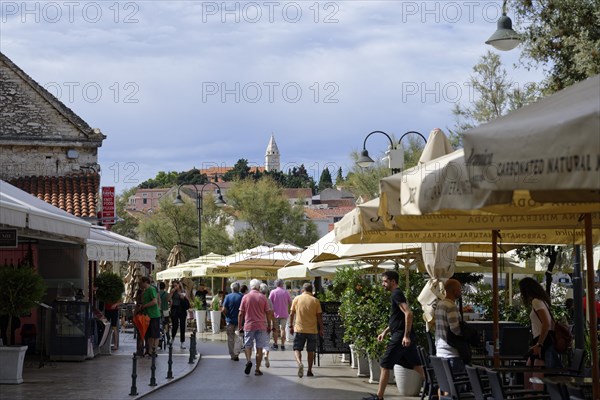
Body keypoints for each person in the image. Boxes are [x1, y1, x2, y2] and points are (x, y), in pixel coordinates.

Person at [363, 270, 424, 400]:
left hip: (401, 336)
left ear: (393, 281)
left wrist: (405, 336)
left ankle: (379, 397)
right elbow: (398, 319)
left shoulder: (396, 293)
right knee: (416, 365)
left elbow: (408, 313)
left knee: (385, 364)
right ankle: (437, 384)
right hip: (402, 335)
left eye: (385, 281)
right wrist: (384, 332)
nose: (383, 284)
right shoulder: (396, 294)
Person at [519, 277, 562, 389]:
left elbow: (546, 323)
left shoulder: (536, 301)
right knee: (529, 374)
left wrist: (539, 344)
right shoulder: (542, 301)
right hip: (541, 341)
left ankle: (534, 396)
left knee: (535, 379)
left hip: (542, 341)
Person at [434, 279, 465, 396]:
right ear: (454, 290)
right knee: (453, 389)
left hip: (440, 350)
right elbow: (455, 329)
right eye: (459, 289)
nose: (461, 291)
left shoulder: (440, 304)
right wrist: (467, 334)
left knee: (442, 385)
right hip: (452, 352)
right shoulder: (451, 306)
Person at [289, 282, 323, 378]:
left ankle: (299, 363)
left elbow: (291, 314)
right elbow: (319, 316)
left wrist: (291, 326)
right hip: (312, 330)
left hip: (299, 329)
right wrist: (321, 328)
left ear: (303, 290)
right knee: (310, 351)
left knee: (297, 349)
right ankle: (309, 370)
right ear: (311, 290)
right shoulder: (315, 300)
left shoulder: (296, 299)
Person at [238, 279, 271, 376]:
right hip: (261, 325)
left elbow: (241, 313)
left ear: (250, 286)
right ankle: (257, 369)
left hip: (249, 325)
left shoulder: (245, 297)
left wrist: (240, 325)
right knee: (259, 347)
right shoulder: (263, 297)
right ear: (258, 287)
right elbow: (268, 313)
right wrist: (269, 325)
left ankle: (248, 360)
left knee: (248, 345)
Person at [139, 276, 161, 355]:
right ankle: (150, 350)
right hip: (147, 315)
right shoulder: (145, 291)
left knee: (155, 334)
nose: (140, 284)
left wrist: (144, 306)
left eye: (141, 282)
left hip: (154, 315)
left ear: (145, 282)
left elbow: (154, 301)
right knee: (149, 334)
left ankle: (154, 350)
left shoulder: (151, 289)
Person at [222, 282, 244, 361]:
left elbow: (223, 309)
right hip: (240, 321)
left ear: (232, 288)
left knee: (230, 338)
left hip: (230, 321)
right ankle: (237, 353)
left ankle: (232, 355)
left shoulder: (227, 297)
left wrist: (227, 316)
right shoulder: (242, 297)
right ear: (238, 288)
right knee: (239, 337)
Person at [269, 278, 292, 351]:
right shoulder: (286, 292)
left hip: (275, 314)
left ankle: (275, 344)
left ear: (276, 284)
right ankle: (282, 345)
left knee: (275, 329)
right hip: (284, 313)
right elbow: (290, 302)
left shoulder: (273, 292)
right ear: (282, 284)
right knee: (283, 329)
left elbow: (269, 302)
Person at [168, 280, 188, 349]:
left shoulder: (183, 291)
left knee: (182, 326)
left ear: (179, 285)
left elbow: (187, 299)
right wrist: (172, 292)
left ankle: (182, 342)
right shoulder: (173, 291)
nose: (175, 286)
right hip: (175, 309)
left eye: (176, 285)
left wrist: (183, 297)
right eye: (174, 285)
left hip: (182, 309)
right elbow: (168, 299)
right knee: (175, 325)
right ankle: (172, 339)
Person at [260, 283, 275, 368]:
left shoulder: (257, 299)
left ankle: (259, 360)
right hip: (266, 324)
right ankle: (266, 354)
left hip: (258, 323)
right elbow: (271, 313)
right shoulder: (268, 301)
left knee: (257, 343)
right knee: (266, 342)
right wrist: (271, 324)